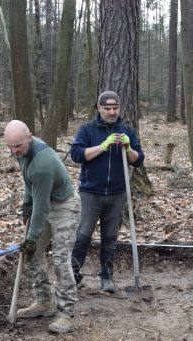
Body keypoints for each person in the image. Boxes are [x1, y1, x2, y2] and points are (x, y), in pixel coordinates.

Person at [5, 120, 81, 334]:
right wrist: (25, 205)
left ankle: (66, 313)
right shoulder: (22, 153)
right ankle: (44, 300)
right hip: (43, 202)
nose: (13, 151)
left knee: (59, 257)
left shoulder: (42, 164)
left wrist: (31, 236)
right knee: (34, 252)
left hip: (65, 207)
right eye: (9, 146)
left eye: (17, 146)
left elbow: (42, 206)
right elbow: (29, 186)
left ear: (29, 137)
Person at [68, 91, 145, 292]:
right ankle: (73, 275)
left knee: (110, 237)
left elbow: (138, 160)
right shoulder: (87, 130)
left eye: (115, 108)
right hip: (91, 192)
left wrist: (128, 148)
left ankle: (107, 276)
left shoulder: (127, 130)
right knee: (83, 235)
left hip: (117, 193)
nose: (111, 112)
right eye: (107, 108)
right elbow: (76, 155)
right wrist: (103, 146)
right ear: (99, 108)